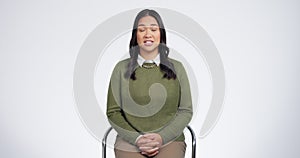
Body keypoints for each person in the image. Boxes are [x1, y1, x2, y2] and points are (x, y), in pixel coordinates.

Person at [106, 9, 193, 158]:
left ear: (161, 34)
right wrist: (137, 139)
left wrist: (161, 138)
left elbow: (185, 110)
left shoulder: (177, 68)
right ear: (136, 36)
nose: (148, 34)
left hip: (170, 140)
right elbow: (113, 112)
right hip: (129, 141)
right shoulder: (120, 69)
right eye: (141, 30)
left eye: (153, 29)